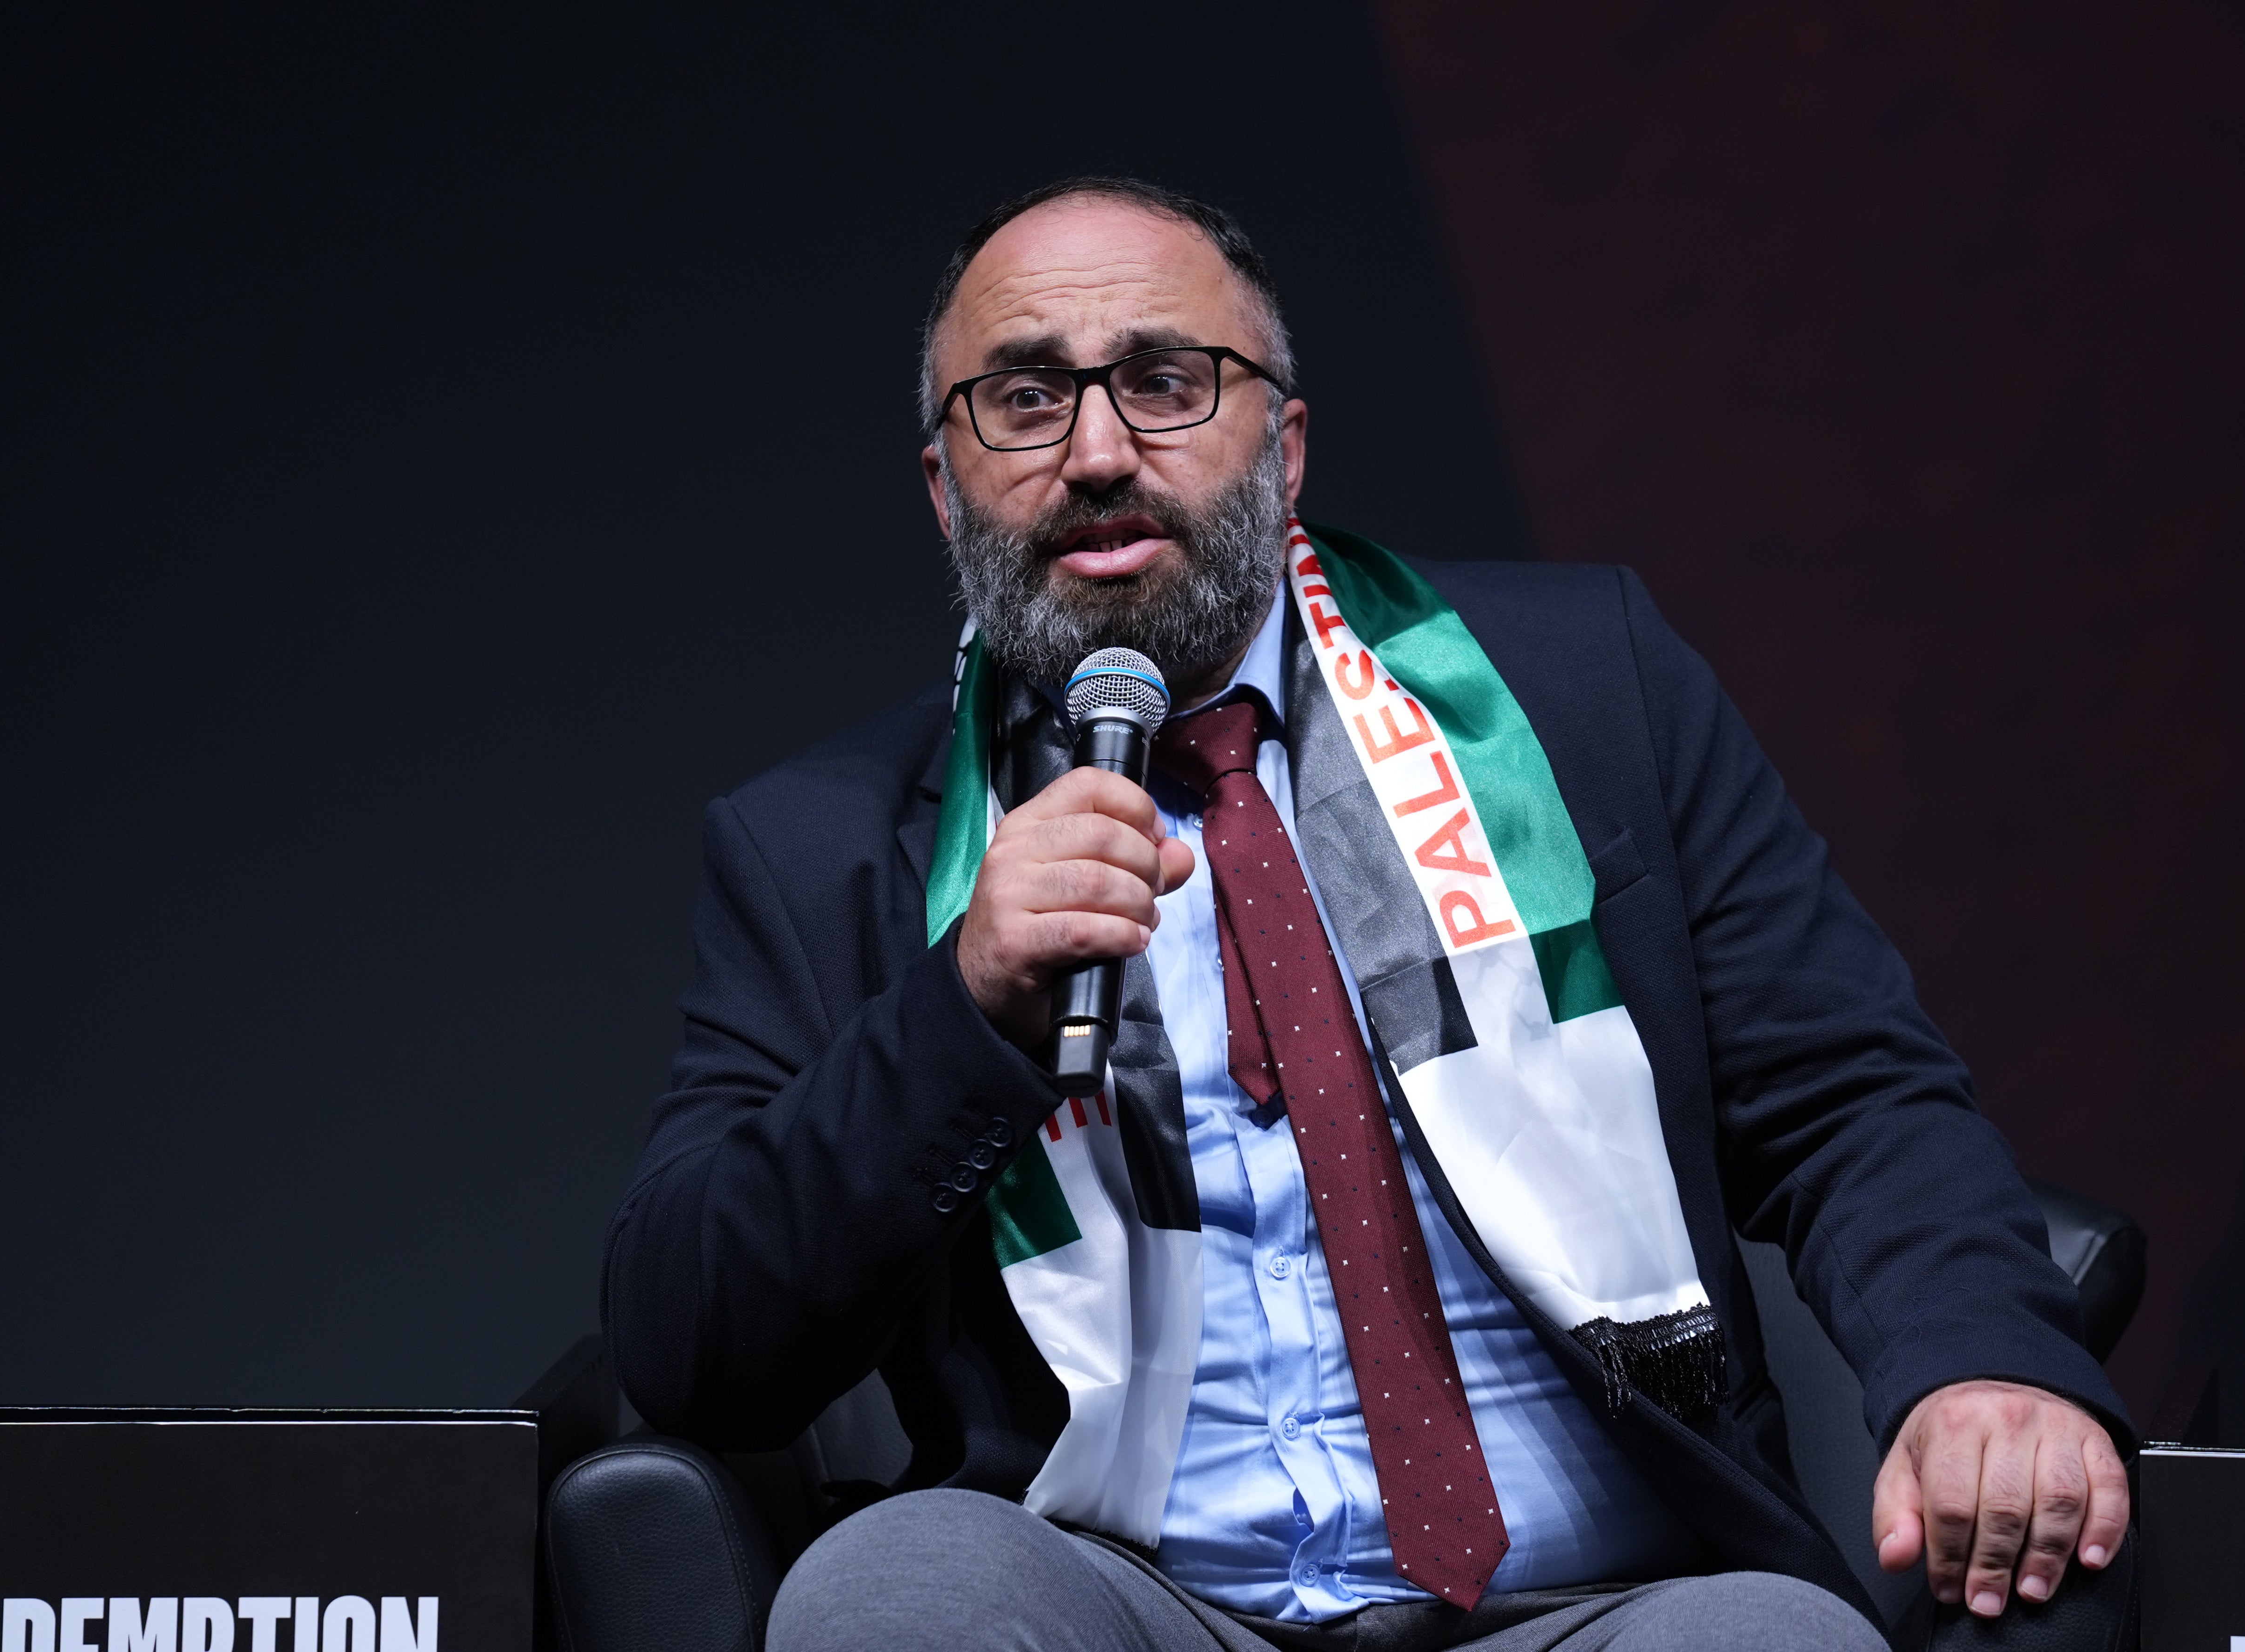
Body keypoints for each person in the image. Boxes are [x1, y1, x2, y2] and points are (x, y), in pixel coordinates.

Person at [601, 177, 2135, 1652]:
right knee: (890, 1592)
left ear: (1286, 450)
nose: (1098, 452)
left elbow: (1851, 1094)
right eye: (1023, 398)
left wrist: (1979, 1365)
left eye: (1166, 383)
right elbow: (688, 1343)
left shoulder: (1585, 691)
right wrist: (962, 1012)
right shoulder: (822, 849)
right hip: (1125, 1599)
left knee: (1769, 1643)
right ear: (946, 489)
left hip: (1597, 1603)